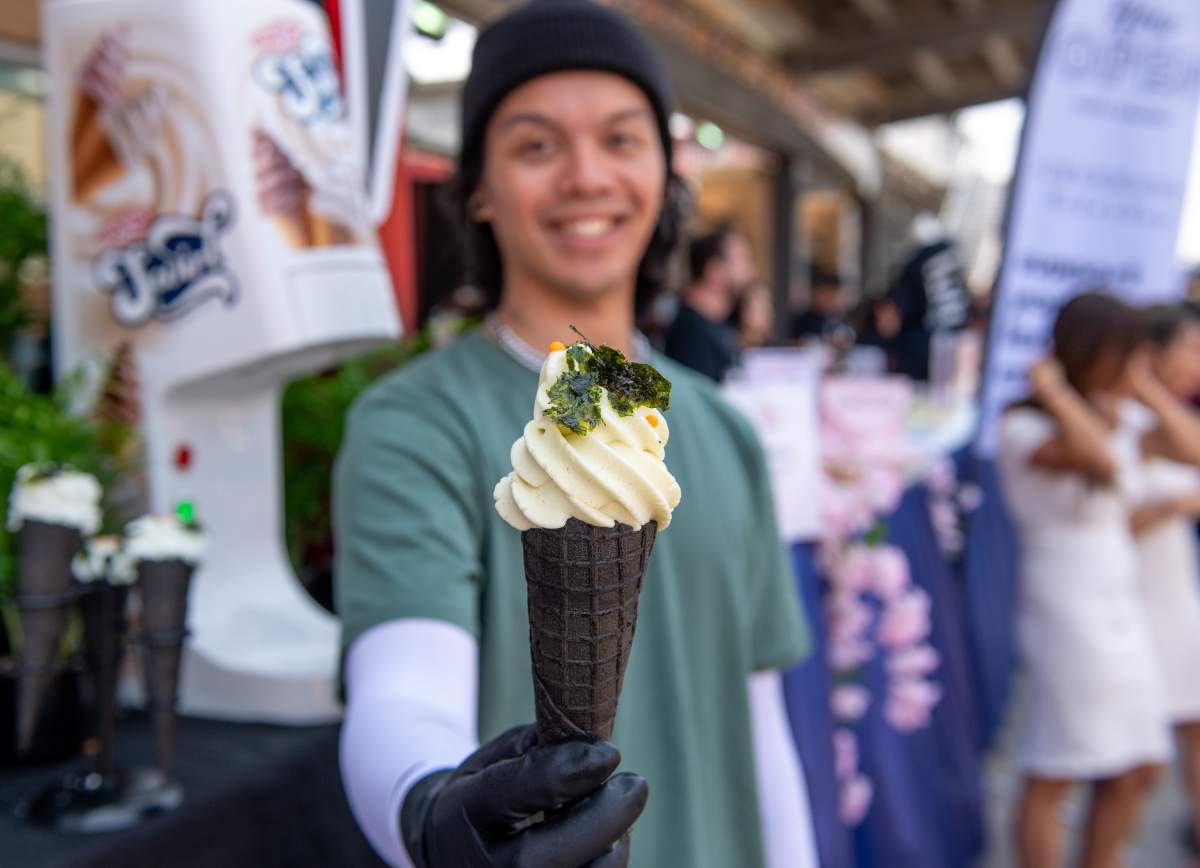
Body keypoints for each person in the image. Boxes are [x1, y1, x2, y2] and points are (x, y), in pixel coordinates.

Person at [333, 3, 816, 867]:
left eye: (623, 139)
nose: (586, 176)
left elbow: (763, 722)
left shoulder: (727, 432)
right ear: (477, 185)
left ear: (667, 174)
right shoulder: (415, 423)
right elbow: (401, 685)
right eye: (536, 145)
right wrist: (431, 812)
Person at [997, 292, 1175, 868]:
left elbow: (1191, 447)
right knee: (1057, 762)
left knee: (1139, 761)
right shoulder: (1026, 423)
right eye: (1124, 351)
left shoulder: (1117, 413)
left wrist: (1144, 388)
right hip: (1066, 603)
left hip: (1118, 597)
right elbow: (1097, 459)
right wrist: (1054, 390)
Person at [1128, 304, 1200, 852]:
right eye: (1192, 348)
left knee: (1193, 720)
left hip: (1173, 585)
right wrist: (1179, 502)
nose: (1198, 362)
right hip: (1129, 596)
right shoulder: (1124, 417)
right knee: (1135, 761)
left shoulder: (1166, 414)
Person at [663, 225, 754, 381]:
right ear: (714, 270)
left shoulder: (718, 325)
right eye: (742, 259)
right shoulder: (691, 335)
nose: (750, 269)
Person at [889, 213, 969, 381]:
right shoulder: (953, 259)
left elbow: (906, 303)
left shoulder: (917, 262)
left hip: (922, 339)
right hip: (953, 337)